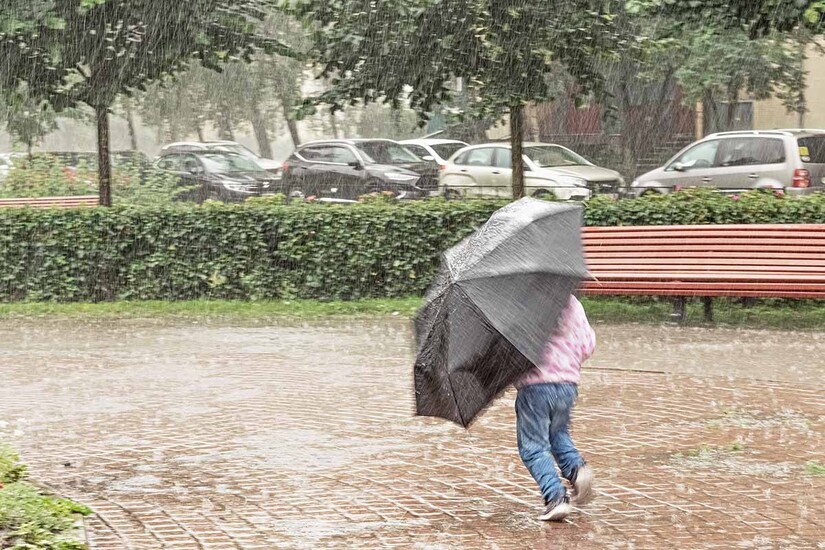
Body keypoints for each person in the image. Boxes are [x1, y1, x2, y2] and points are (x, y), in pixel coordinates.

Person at [514, 294, 596, 521]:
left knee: (533, 448)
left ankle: (555, 497)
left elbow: (512, 349)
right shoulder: (572, 302)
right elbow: (588, 345)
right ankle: (577, 471)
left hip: (534, 387)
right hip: (568, 385)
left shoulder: (521, 304)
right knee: (557, 434)